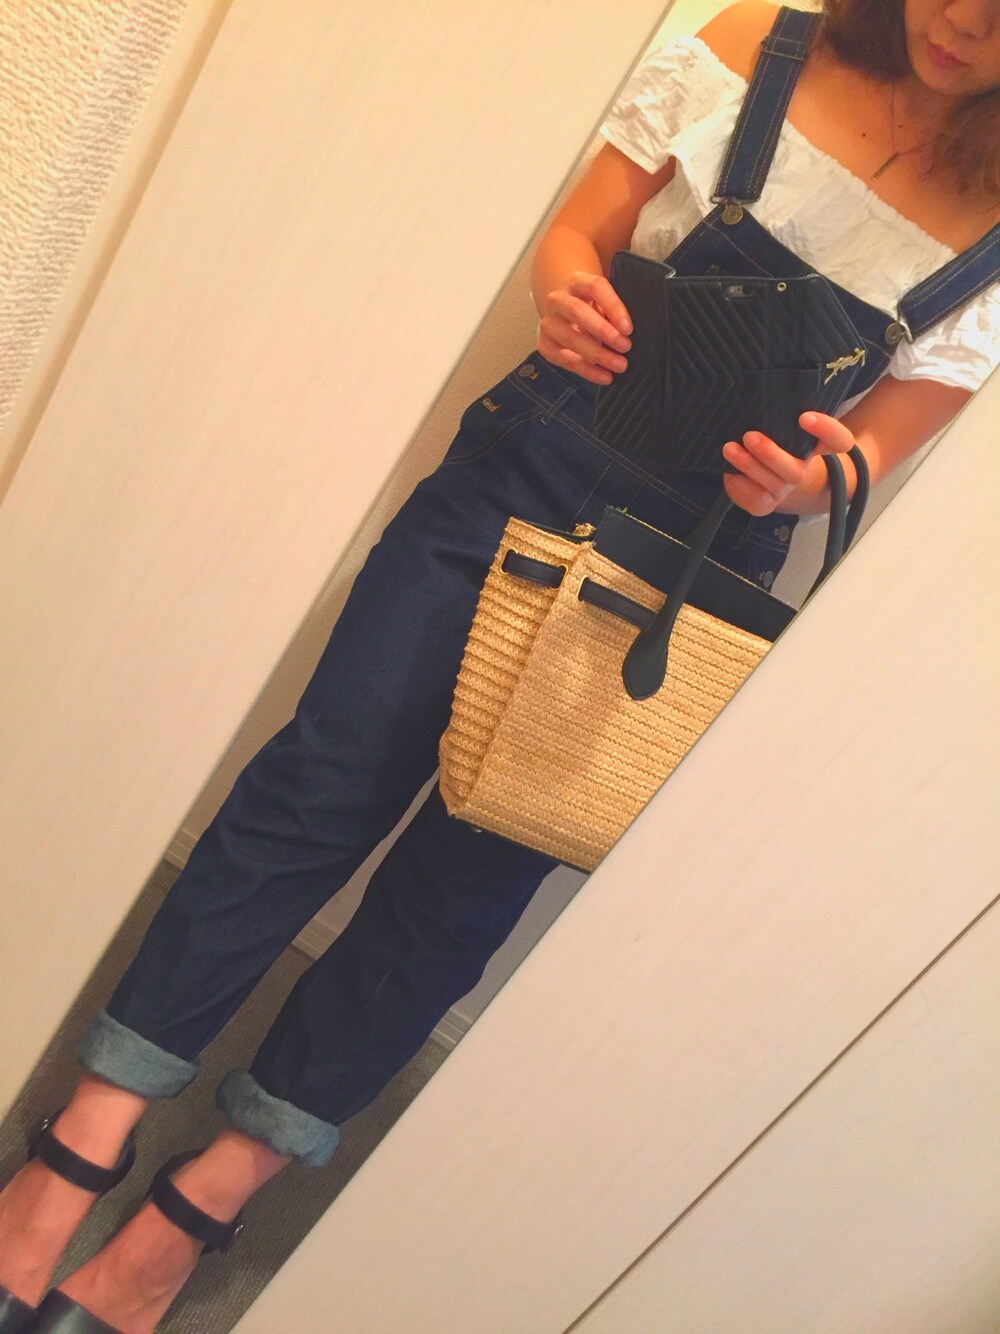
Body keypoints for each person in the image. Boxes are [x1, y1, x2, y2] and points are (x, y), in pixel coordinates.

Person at [2, 2, 998, 1330]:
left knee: (459, 894)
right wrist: (565, 293)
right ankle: (79, 1143)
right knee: (319, 783)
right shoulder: (762, 41)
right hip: (524, 467)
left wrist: (815, 480)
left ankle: (200, 1207)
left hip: (680, 576)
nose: (968, 19)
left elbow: (871, 450)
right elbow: (579, 233)